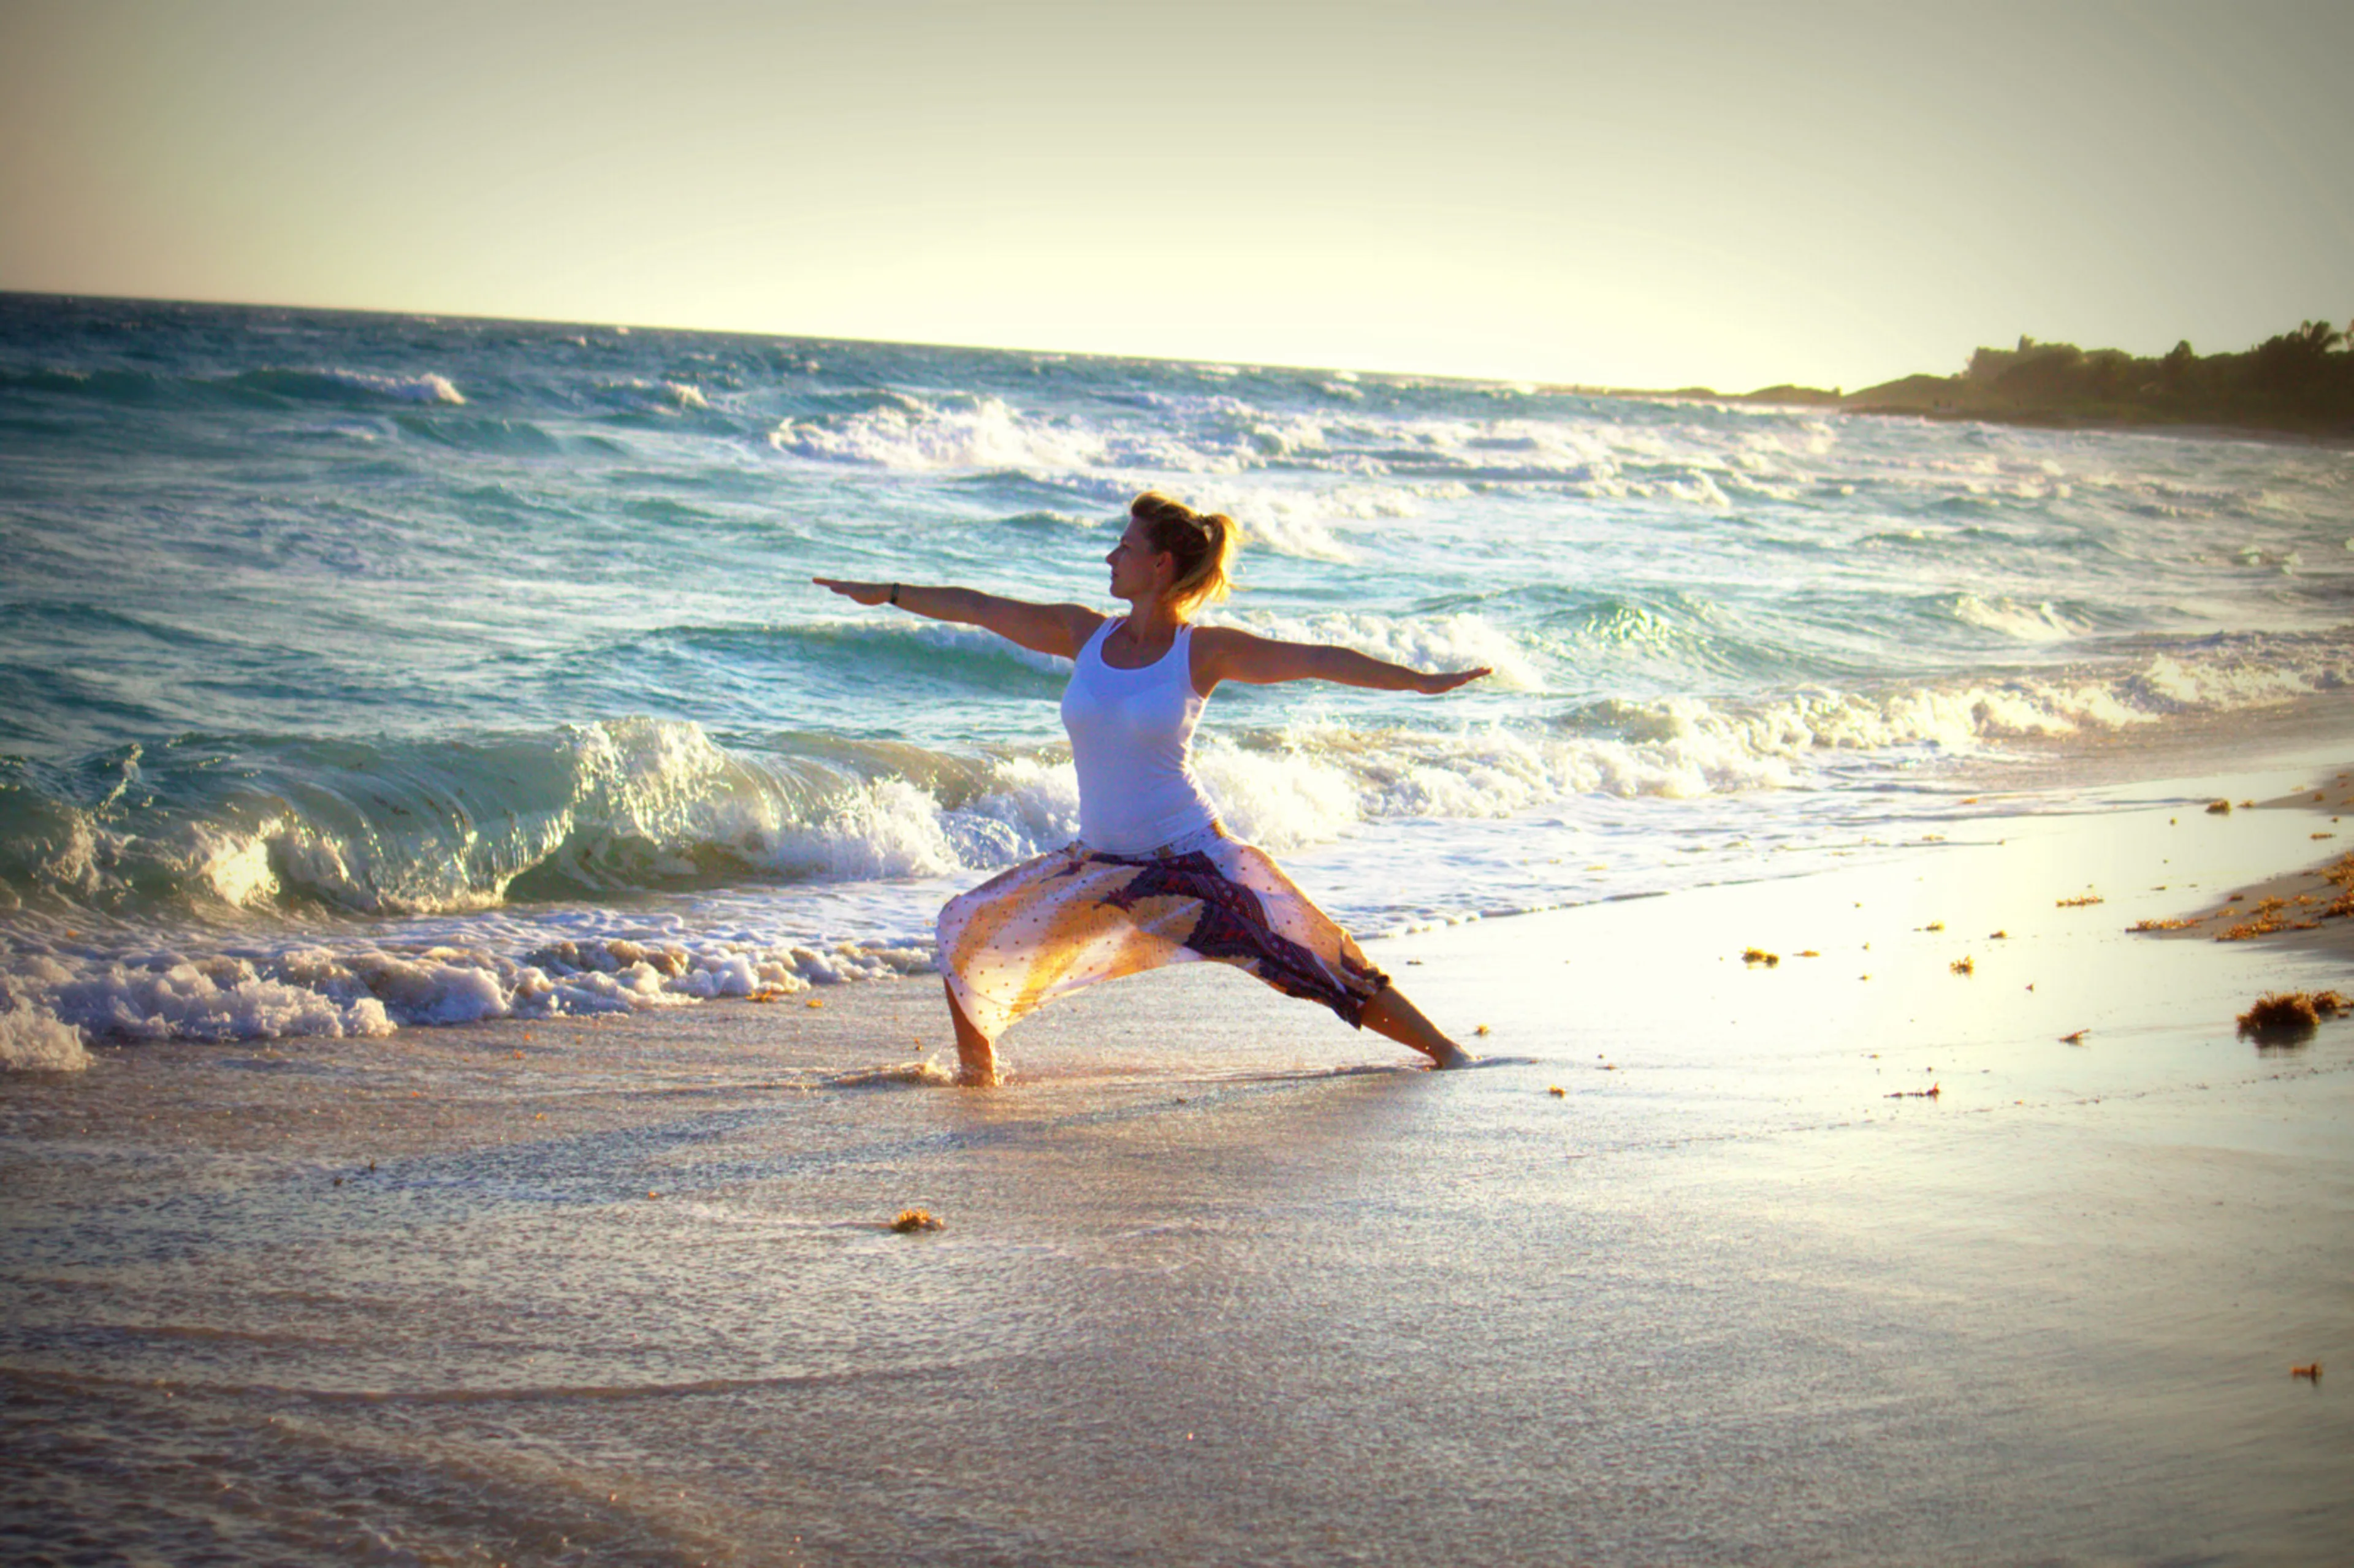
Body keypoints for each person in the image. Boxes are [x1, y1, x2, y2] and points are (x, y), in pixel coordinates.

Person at [814, 490, 1490, 1084]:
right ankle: (978, 1076)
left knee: (1315, 960)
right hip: (1102, 864)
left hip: (1195, 856)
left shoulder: (1201, 651)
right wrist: (891, 593)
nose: (1111, 557)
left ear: (1160, 564)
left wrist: (1418, 682)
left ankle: (1448, 1054)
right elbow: (980, 607)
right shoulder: (1082, 633)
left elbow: (1316, 660)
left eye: (1125, 547)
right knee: (967, 925)